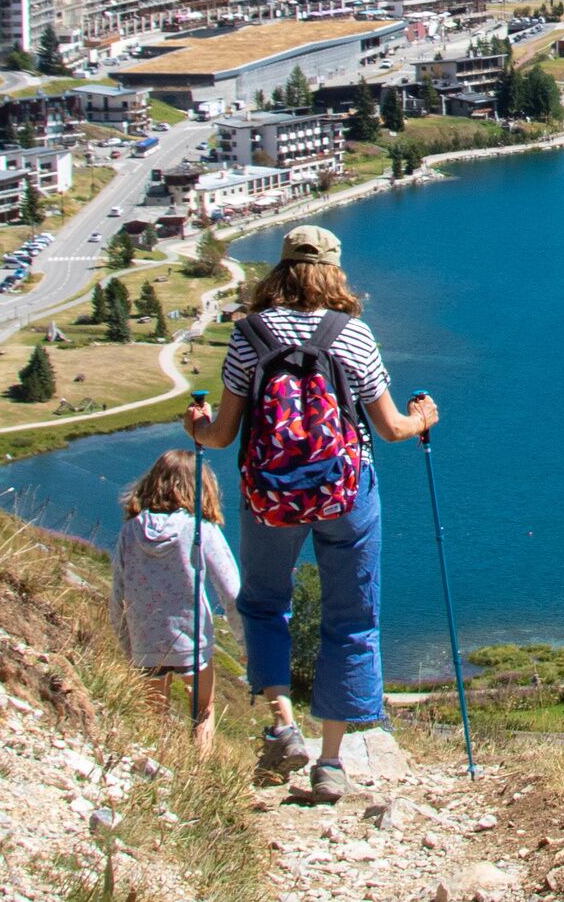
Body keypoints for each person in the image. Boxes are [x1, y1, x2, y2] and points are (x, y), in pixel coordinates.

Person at [186, 224, 440, 802]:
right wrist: (425, 417)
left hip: (269, 497)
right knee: (351, 617)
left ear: (280, 269)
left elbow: (222, 435)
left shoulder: (248, 334)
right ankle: (330, 762)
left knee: (264, 604)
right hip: (347, 494)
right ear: (334, 271)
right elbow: (392, 429)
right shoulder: (354, 335)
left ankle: (282, 724)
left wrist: (195, 426)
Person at [108, 446, 244, 758]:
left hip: (145, 642)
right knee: (202, 713)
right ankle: (200, 777)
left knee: (154, 719)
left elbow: (118, 593)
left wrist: (126, 642)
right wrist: (245, 644)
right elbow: (231, 591)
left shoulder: (130, 531)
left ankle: (161, 773)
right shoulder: (200, 529)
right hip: (191, 642)